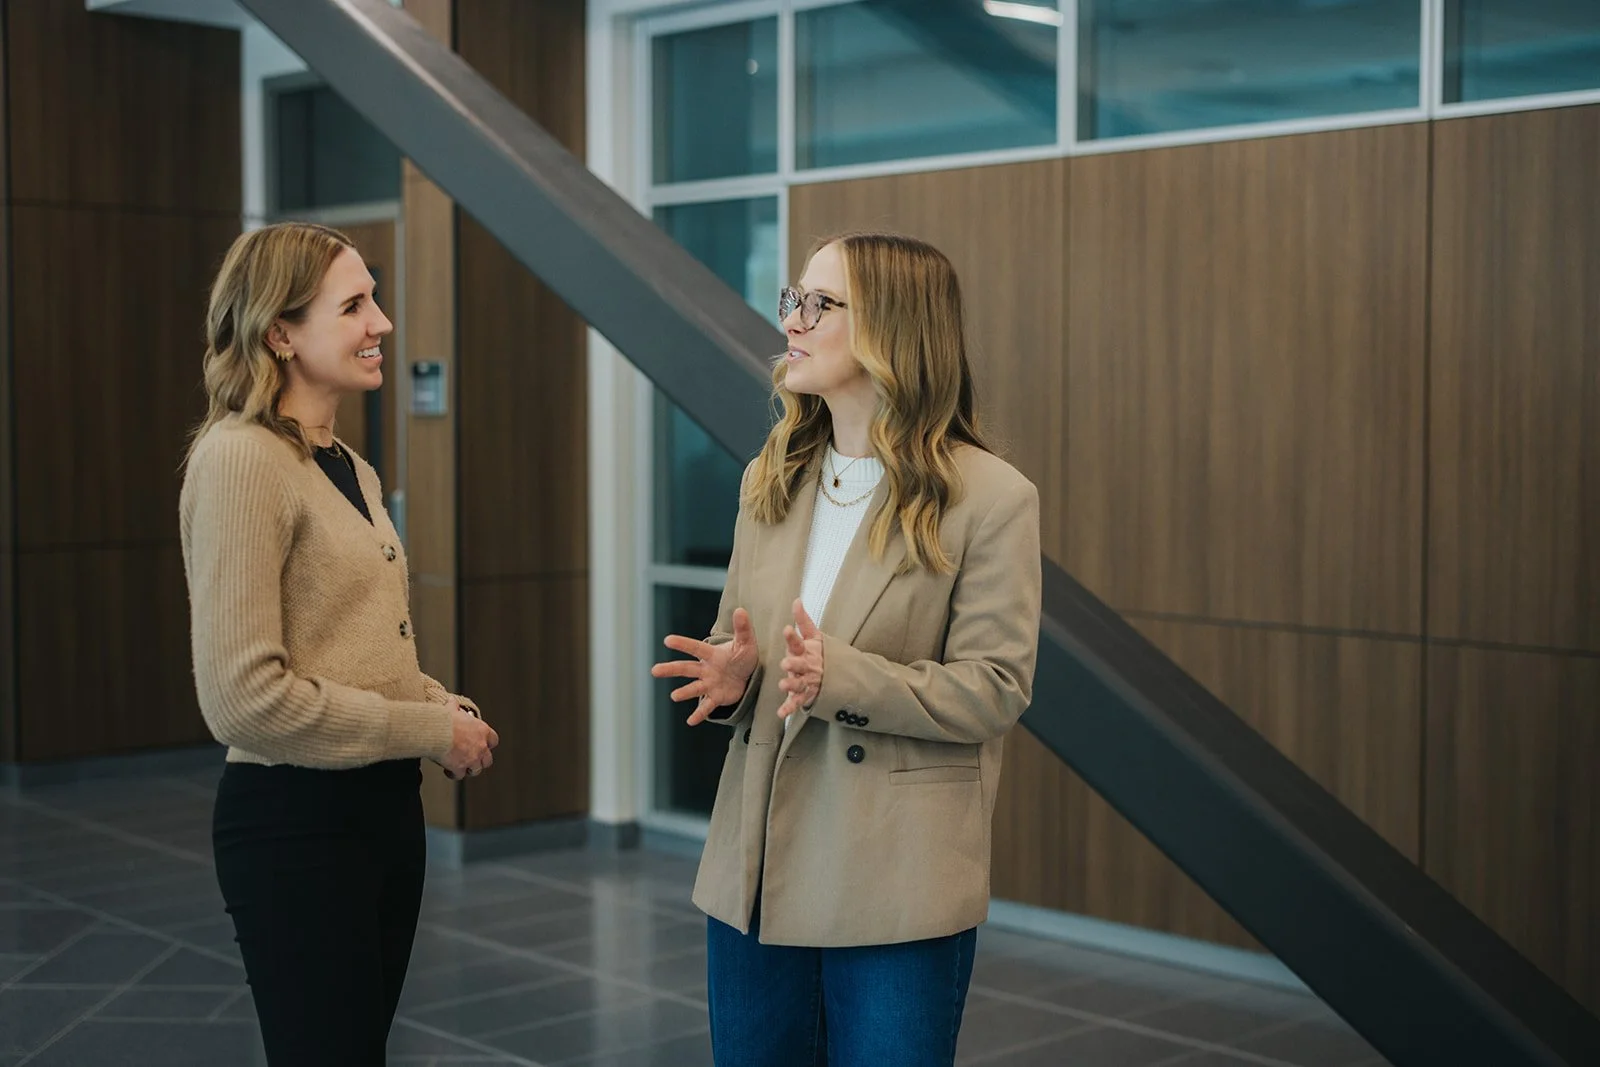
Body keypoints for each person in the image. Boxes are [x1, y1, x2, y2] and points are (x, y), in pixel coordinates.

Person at [652, 232, 1042, 1066]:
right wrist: (735, 673)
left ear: (893, 331)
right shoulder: (775, 473)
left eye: (818, 304)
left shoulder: (992, 498)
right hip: (757, 869)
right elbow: (745, 637)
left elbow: (996, 688)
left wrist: (842, 675)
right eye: (794, 299)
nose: (790, 320)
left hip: (894, 875)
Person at [178, 222, 499, 1066]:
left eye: (376, 300)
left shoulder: (347, 465)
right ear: (279, 333)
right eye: (354, 305)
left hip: (384, 812)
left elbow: (351, 644)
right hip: (296, 825)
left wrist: (439, 702)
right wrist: (432, 732)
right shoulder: (240, 460)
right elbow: (244, 699)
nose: (382, 324)